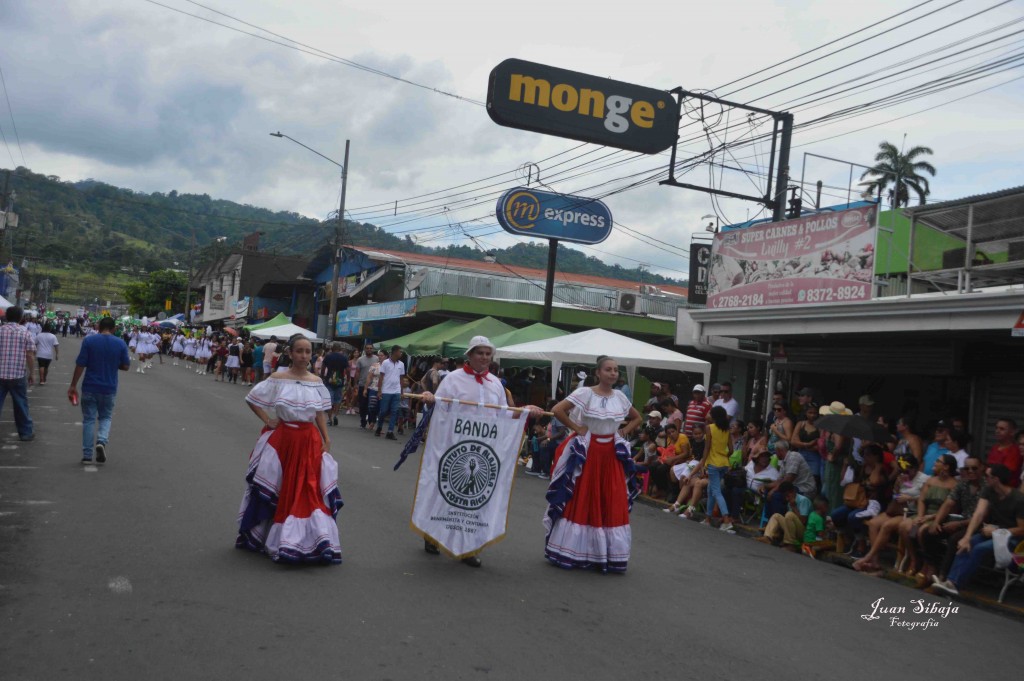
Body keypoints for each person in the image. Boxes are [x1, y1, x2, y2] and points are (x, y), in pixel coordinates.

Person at [420, 336, 538, 568]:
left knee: (475, 497)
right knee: (446, 491)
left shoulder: (496, 384)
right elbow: (441, 408)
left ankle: (468, 547)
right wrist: (430, 400)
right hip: (455, 445)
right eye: (479, 353)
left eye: (487, 354)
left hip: (484, 449)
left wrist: (524, 411)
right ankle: (432, 535)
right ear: (470, 355)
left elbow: (502, 415)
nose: (484, 357)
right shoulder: (452, 379)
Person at [236, 336, 341, 564]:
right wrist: (267, 419)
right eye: (300, 351)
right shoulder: (278, 378)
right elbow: (252, 398)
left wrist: (326, 437)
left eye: (307, 351)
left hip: (309, 441)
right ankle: (275, 537)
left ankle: (310, 541)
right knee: (283, 488)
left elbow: (319, 412)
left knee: (308, 490)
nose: (304, 355)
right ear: (290, 353)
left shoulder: (316, 381)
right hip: (283, 440)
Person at [543, 355, 641, 572]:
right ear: (598, 372)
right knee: (583, 497)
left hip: (610, 454)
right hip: (589, 452)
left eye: (615, 370)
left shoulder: (620, 397)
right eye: (608, 369)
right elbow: (558, 409)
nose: (613, 373)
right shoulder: (585, 393)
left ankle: (602, 554)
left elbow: (637, 417)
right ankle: (575, 551)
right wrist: (577, 428)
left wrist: (623, 431)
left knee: (610, 500)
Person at [933, 464, 1024, 596]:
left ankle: (956, 583)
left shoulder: (1018, 499)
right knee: (967, 544)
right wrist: (966, 537)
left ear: (996, 479)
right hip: (994, 532)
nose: (985, 478)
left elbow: (1022, 529)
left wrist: (996, 532)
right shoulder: (989, 491)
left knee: (979, 548)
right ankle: (949, 581)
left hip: (1012, 538)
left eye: (988, 476)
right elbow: (978, 514)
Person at [67, 316, 130, 464]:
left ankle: (87, 455)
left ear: (98, 327)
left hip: (90, 386)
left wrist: (73, 385)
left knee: (89, 420)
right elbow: (126, 366)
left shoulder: (89, 341)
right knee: (105, 417)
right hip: (109, 388)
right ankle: (101, 440)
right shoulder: (120, 343)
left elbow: (80, 364)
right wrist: (114, 364)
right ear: (114, 329)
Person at [694, 405, 737, 532]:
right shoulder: (726, 429)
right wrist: (724, 456)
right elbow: (731, 449)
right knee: (710, 490)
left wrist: (702, 464)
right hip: (724, 463)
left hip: (713, 463)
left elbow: (706, 448)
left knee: (716, 491)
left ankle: (726, 519)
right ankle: (707, 518)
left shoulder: (709, 428)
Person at [0, 306, 36, 442]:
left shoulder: (0, 331)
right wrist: (32, 373)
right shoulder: (25, 332)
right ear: (21, 318)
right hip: (18, 374)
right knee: (21, 405)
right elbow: (30, 355)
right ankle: (25, 433)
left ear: (6, 317)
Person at [376, 345, 405, 440]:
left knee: (394, 411)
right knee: (383, 411)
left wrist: (401, 392)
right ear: (395, 352)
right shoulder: (385, 362)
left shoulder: (401, 364)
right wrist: (379, 390)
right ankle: (379, 427)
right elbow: (381, 377)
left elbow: (401, 379)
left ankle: (390, 431)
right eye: (399, 351)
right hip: (386, 390)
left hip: (396, 391)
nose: (401, 353)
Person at [320, 342, 349, 427]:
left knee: (329, 400)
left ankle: (330, 419)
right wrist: (348, 380)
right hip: (339, 381)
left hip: (329, 380)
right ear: (340, 349)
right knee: (338, 399)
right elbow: (348, 370)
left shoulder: (328, 356)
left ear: (332, 349)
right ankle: (335, 415)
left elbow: (323, 367)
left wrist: (322, 376)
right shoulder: (344, 357)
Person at [987, 418, 1022, 485]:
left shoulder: (1015, 450)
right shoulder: (994, 448)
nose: (997, 431)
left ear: (1012, 432)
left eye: (1002, 429)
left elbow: (1005, 474)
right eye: (996, 428)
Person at [355, 342, 376, 429]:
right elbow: (357, 372)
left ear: (373, 349)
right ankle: (363, 421)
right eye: (367, 348)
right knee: (363, 405)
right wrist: (355, 384)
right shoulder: (360, 360)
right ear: (365, 349)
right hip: (362, 384)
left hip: (373, 386)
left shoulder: (377, 359)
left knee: (371, 405)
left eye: (371, 348)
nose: (369, 350)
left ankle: (371, 421)